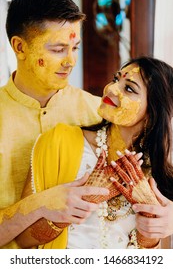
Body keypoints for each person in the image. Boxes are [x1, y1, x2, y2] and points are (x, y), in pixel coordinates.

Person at [16, 56, 173, 249]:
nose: (111, 88)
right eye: (116, 80)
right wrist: (83, 200)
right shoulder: (59, 141)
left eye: (129, 88)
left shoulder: (158, 177)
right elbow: (22, 239)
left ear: (152, 114)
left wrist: (148, 226)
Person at [0, 0, 108, 249]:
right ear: (19, 46)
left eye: (75, 48)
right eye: (59, 49)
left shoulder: (99, 112)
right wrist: (41, 204)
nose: (70, 61)